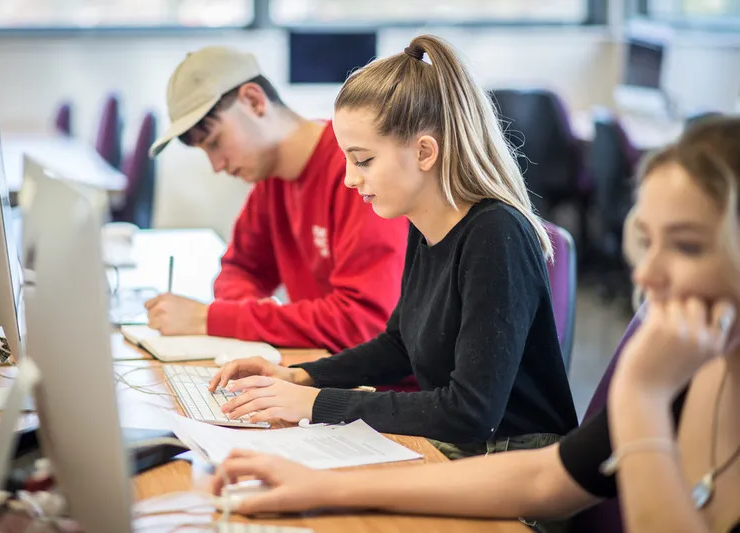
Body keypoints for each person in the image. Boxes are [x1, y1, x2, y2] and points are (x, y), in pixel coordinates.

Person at [210, 116, 740, 533]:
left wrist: (640, 402)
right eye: (646, 241)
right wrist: (321, 483)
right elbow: (549, 475)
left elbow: (479, 417)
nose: (646, 273)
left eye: (688, 246)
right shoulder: (691, 369)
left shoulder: (655, 380)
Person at [207, 35, 579, 456]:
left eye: (363, 160)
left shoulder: (496, 235)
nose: (349, 178)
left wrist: (316, 403)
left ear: (424, 151)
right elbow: (399, 345)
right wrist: (299, 375)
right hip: (469, 447)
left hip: (518, 464)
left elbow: (471, 411)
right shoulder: (425, 225)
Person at [144, 46, 408, 353]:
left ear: (254, 101)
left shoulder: (357, 173)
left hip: (383, 391)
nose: (216, 166)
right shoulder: (271, 180)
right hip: (324, 371)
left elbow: (364, 321)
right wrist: (247, 318)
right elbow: (240, 269)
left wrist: (212, 319)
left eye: (215, 142)